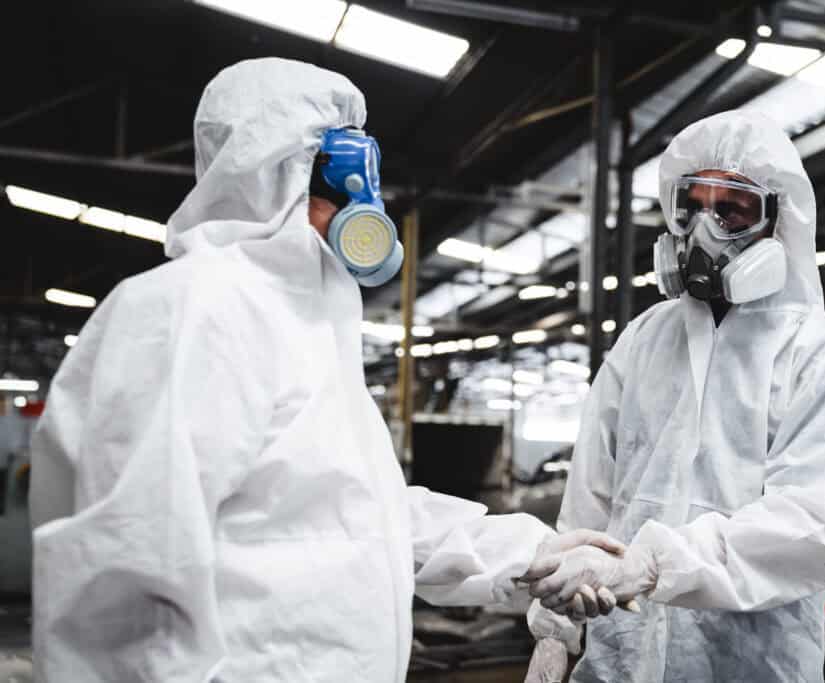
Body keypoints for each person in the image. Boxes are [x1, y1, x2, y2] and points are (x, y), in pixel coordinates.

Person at [27, 58, 622, 683]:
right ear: (277, 169)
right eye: (346, 177)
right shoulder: (194, 309)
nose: (366, 202)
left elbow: (365, 518)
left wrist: (530, 553)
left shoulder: (304, 327)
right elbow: (130, 562)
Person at [523, 110, 825, 683]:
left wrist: (652, 565)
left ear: (778, 221)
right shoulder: (645, 339)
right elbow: (589, 498)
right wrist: (555, 631)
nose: (704, 229)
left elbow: (815, 525)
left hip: (751, 665)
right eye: (690, 206)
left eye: (732, 210)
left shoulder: (821, 354)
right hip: (619, 662)